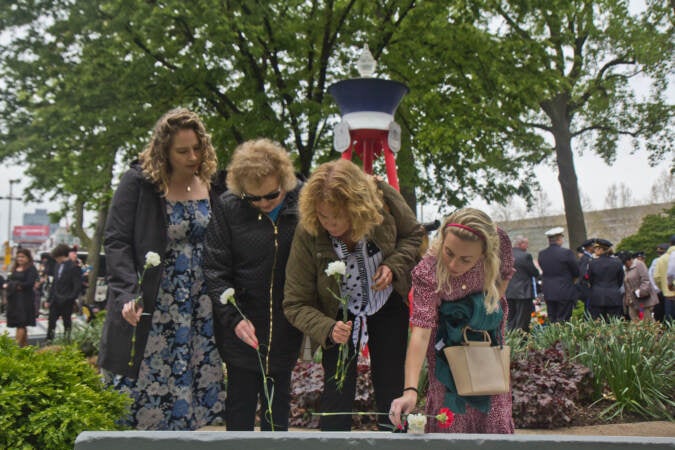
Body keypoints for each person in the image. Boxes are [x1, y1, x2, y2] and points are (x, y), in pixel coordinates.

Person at [97, 108, 226, 430]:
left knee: (191, 390)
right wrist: (127, 292)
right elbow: (116, 241)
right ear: (163, 151)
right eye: (183, 151)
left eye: (197, 148)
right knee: (144, 392)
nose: (193, 156)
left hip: (199, 305)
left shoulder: (211, 183)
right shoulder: (139, 183)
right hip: (153, 302)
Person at [283, 159, 423, 431]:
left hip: (387, 304)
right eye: (323, 216)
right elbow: (294, 302)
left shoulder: (383, 201)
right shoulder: (308, 231)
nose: (331, 224)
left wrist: (393, 266)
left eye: (338, 216)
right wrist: (326, 327)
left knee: (391, 383)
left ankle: (394, 439)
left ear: (357, 207)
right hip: (337, 316)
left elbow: (414, 235)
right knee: (336, 391)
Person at [203, 138, 303, 431]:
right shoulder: (227, 208)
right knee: (239, 407)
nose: (262, 203)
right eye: (252, 198)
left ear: (285, 181)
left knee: (278, 409)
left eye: (271, 195)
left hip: (286, 327)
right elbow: (214, 269)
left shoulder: (303, 205)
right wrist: (234, 319)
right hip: (241, 328)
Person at [389, 208, 515, 433]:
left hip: (487, 349)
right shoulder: (427, 272)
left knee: (493, 417)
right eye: (448, 252)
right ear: (442, 239)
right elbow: (421, 332)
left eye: (466, 259)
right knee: (449, 419)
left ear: (485, 253)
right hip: (446, 354)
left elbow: (504, 276)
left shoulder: (500, 241)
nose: (454, 265)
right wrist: (410, 390)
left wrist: (483, 310)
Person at [537, 227, 580, 323]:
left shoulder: (542, 254)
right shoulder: (566, 253)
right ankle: (561, 337)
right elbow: (576, 271)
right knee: (564, 319)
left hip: (548, 290)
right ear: (559, 239)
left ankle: (553, 337)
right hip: (564, 290)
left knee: (552, 318)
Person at [45, 244, 82, 341]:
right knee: (51, 322)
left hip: (66, 300)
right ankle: (49, 340)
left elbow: (77, 286)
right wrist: (49, 299)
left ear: (61, 255)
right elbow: (54, 284)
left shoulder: (74, 267)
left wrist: (70, 298)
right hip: (55, 299)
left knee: (67, 322)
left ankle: (66, 341)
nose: (55, 259)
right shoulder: (57, 266)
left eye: (56, 257)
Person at [3, 248, 39, 347]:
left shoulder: (31, 269)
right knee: (19, 324)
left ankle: (15, 347)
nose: (20, 259)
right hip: (14, 300)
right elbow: (8, 281)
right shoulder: (14, 268)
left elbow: (29, 283)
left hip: (24, 300)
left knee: (21, 323)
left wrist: (15, 285)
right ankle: (25, 347)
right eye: (18, 256)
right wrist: (12, 285)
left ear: (28, 258)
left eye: (22, 257)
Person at [505, 236, 539, 333]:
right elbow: (533, 272)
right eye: (526, 244)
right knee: (522, 318)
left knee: (511, 317)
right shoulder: (525, 256)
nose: (527, 246)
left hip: (509, 291)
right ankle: (521, 339)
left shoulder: (505, 256)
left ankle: (511, 338)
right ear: (521, 244)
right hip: (523, 292)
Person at [586, 239, 624, 321]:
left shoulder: (592, 263)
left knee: (598, 324)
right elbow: (620, 280)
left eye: (596, 248)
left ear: (601, 249)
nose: (594, 250)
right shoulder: (617, 262)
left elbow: (591, 280)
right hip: (613, 297)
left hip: (597, 297)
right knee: (614, 324)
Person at [617, 251, 658, 322]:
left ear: (630, 259)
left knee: (647, 321)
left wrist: (640, 292)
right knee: (635, 322)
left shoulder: (639, 264)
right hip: (632, 302)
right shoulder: (626, 269)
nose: (625, 265)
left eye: (626, 263)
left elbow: (646, 280)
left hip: (643, 301)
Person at [653, 234, 675, 321]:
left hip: (669, 295)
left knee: (670, 323)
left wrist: (664, 288)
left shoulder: (661, 259)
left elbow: (657, 277)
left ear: (670, 244)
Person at [649, 243, 669, 321]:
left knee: (660, 315)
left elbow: (652, 277)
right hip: (666, 290)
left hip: (659, 291)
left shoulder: (656, 261)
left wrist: (657, 289)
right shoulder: (657, 261)